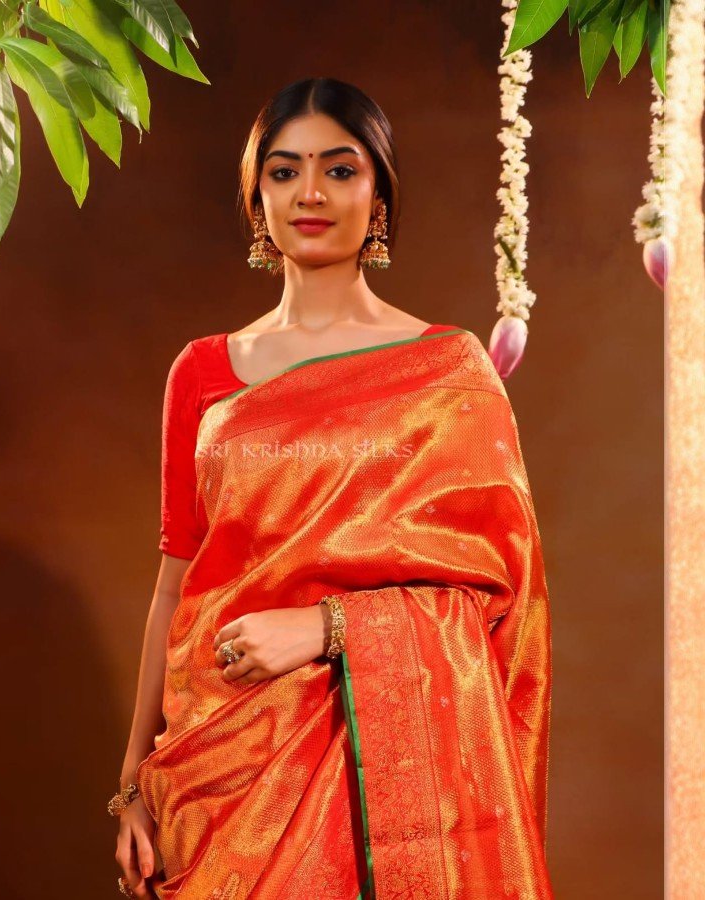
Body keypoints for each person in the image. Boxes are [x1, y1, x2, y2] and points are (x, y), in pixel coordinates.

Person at [111, 76, 553, 900]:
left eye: (340, 170)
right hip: (223, 758)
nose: (310, 192)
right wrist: (133, 783)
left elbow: (503, 597)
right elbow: (175, 582)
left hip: (379, 766)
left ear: (378, 196)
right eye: (283, 172)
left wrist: (327, 626)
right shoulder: (203, 372)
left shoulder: (450, 372)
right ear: (257, 200)